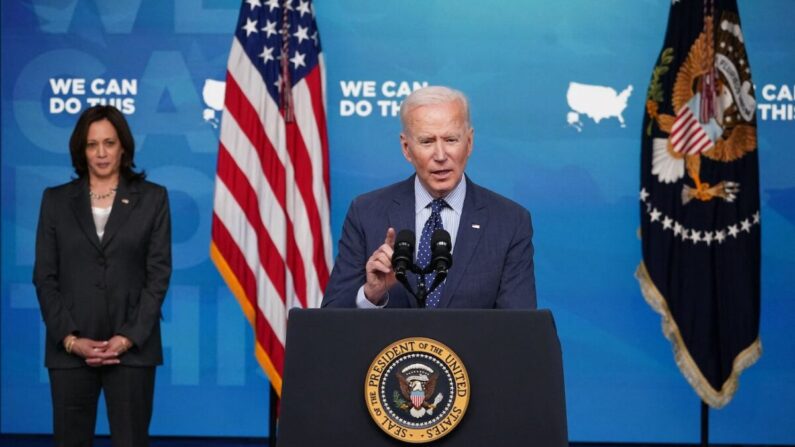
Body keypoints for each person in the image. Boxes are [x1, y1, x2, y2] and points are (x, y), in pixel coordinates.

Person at [322, 86, 536, 309]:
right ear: (406, 148)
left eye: (451, 140)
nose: (441, 156)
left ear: (469, 143)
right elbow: (330, 321)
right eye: (427, 142)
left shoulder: (510, 221)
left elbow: (518, 331)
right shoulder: (366, 212)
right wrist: (371, 294)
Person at [33, 105, 171, 447]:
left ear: (123, 146)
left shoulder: (153, 199)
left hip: (132, 351)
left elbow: (158, 276)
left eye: (109, 143)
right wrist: (69, 339)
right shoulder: (55, 201)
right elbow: (44, 277)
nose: (101, 153)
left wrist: (128, 337)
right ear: (81, 149)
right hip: (70, 352)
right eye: (92, 145)